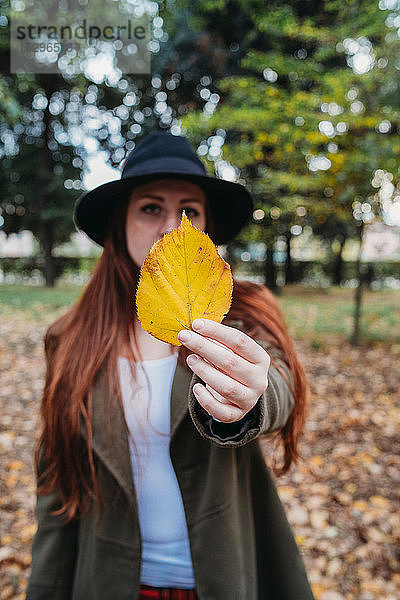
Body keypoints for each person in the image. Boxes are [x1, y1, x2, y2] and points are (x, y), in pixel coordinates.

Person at [27, 131, 315, 600]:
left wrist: (250, 396)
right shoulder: (71, 338)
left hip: (222, 574)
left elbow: (276, 383)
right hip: (109, 581)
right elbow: (57, 486)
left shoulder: (242, 315)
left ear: (205, 226)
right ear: (120, 222)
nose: (170, 224)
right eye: (150, 207)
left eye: (189, 210)